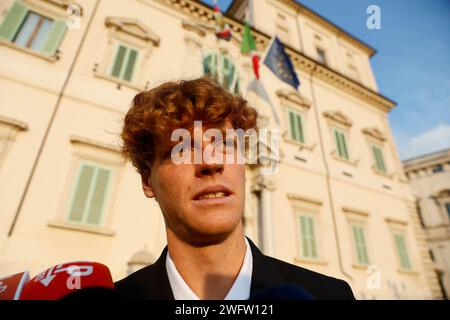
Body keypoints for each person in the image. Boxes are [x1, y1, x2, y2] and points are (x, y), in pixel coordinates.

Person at [114, 77, 355, 300]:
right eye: (182, 149)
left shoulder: (331, 295)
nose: (211, 162)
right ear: (147, 181)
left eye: (226, 144)